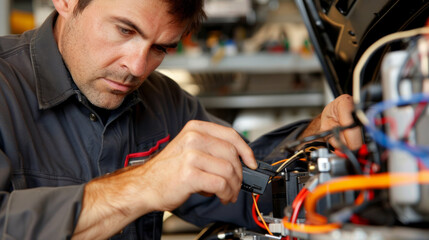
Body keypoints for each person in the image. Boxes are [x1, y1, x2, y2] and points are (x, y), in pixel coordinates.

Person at [0, 0, 362, 239]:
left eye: (161, 48)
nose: (137, 67)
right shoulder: (5, 88)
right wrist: (144, 185)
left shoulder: (164, 103)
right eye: (125, 30)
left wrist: (315, 140)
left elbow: (250, 187)